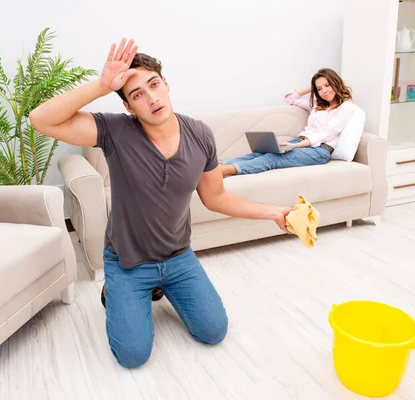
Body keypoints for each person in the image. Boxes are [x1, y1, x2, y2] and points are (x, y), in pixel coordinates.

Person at [29, 38, 292, 369]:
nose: (151, 98)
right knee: (133, 356)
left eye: (154, 85)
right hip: (128, 262)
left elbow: (216, 197)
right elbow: (41, 120)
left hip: (178, 257)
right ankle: (116, 293)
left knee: (214, 331)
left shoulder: (200, 135)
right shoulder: (115, 131)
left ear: (166, 84)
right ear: (129, 106)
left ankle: (161, 287)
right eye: (137, 94)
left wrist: (274, 213)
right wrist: (101, 85)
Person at [218, 68, 354, 178]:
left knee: (273, 158)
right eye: (319, 88)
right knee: (261, 153)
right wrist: (312, 87)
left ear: (336, 82)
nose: (324, 91)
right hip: (300, 142)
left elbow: (325, 134)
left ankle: (225, 171)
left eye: (327, 85)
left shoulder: (346, 106)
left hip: (319, 150)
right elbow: (290, 98)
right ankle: (219, 166)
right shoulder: (318, 104)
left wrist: (297, 146)